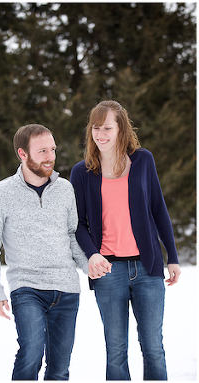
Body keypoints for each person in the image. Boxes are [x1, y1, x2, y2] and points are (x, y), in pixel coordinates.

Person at [70, 100, 180, 380]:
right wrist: (93, 254)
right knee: (116, 350)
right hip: (107, 271)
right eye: (96, 128)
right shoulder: (82, 172)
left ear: (121, 129)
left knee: (153, 347)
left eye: (107, 127)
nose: (101, 134)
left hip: (148, 268)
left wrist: (173, 257)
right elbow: (78, 225)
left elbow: (158, 209)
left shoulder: (143, 160)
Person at [0, 124, 91, 380]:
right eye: (42, 151)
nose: (50, 156)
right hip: (26, 286)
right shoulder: (0, 193)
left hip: (66, 289)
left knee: (59, 369)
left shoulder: (65, 189)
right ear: (23, 154)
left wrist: (88, 267)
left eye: (52, 149)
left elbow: (73, 235)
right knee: (31, 353)